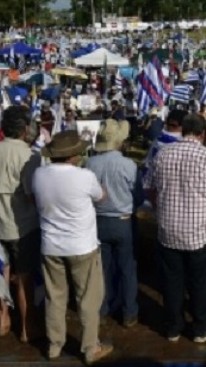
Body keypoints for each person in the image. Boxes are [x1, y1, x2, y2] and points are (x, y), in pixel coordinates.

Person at [144, 113, 206, 343]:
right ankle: (201, 325)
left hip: (168, 229)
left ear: (183, 131)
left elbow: (149, 187)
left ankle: (174, 326)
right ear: (202, 134)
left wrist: (160, 208)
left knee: (172, 280)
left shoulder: (163, 153)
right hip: (199, 232)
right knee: (199, 280)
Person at [32, 130, 113, 365]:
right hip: (81, 245)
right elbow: (101, 197)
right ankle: (90, 347)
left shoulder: (39, 174)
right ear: (72, 155)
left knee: (55, 298)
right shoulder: (84, 176)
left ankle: (54, 345)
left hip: (51, 245)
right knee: (88, 298)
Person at [0, 105, 42, 342]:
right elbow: (31, 195)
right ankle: (26, 327)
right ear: (26, 129)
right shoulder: (29, 155)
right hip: (22, 226)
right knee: (24, 277)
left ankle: (3, 320)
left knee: (1, 274)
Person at [85, 119, 139, 328]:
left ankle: (104, 307)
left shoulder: (90, 163)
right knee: (127, 267)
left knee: (102, 268)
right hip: (123, 220)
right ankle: (129, 312)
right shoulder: (128, 165)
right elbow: (138, 194)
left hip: (98, 220)